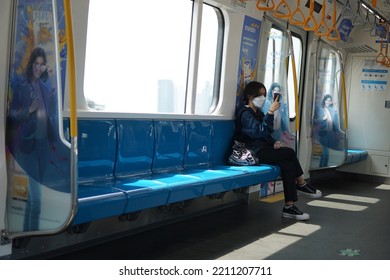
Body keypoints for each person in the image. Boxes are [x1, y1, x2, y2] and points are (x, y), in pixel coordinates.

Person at [234, 81, 322, 220]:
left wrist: (274, 142)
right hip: (251, 153)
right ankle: (301, 183)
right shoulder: (245, 113)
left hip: (261, 149)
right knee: (289, 152)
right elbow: (258, 132)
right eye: (260, 95)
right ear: (250, 97)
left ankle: (289, 207)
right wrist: (270, 112)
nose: (263, 98)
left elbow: (267, 133)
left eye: (264, 95)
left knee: (287, 166)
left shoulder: (258, 113)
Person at [7, 47, 58, 231]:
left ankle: (27, 235)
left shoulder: (44, 88)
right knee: (36, 200)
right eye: (36, 64)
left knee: (32, 200)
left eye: (41, 64)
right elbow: (11, 114)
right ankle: (32, 235)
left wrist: (51, 80)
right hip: (28, 146)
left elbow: (52, 110)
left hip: (43, 148)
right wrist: (28, 110)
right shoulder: (21, 85)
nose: (38, 67)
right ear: (31, 65)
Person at [263, 82, 295, 148]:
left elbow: (282, 120)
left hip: (278, 132)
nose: (276, 93)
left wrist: (288, 132)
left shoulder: (281, 104)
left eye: (278, 91)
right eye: (274, 90)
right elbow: (265, 119)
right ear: (271, 91)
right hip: (269, 132)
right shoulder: (266, 104)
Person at [316, 94, 343, 167]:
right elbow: (314, 121)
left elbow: (334, 123)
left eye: (330, 100)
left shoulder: (331, 110)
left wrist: (338, 133)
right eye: (327, 100)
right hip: (322, 133)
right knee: (325, 153)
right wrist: (323, 118)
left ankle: (321, 168)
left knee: (324, 153)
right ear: (324, 100)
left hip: (330, 134)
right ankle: (323, 168)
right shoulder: (320, 109)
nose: (328, 102)